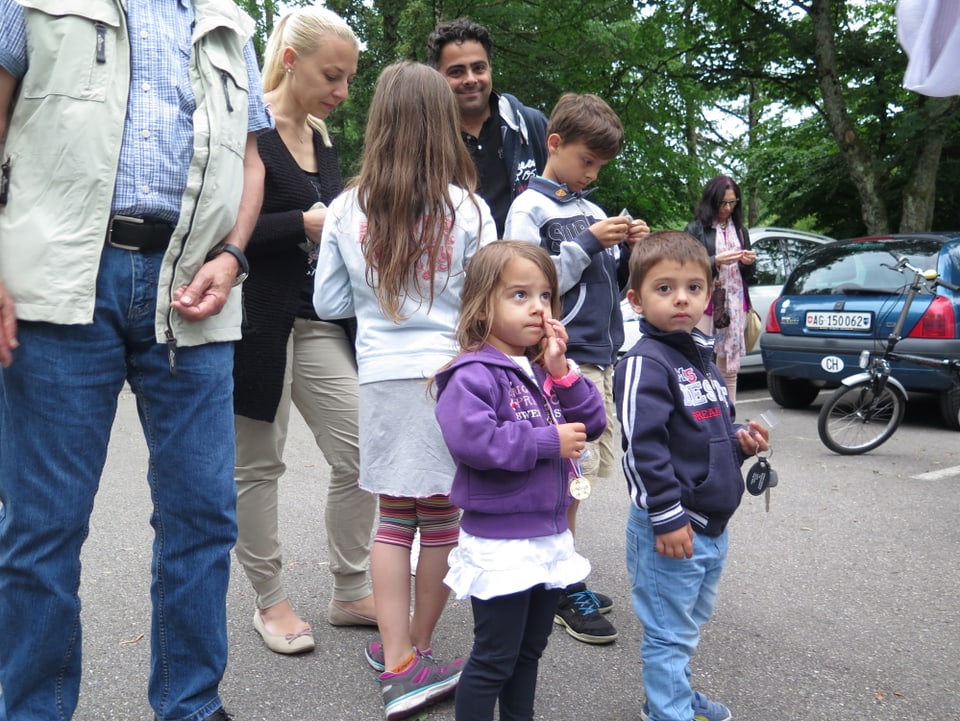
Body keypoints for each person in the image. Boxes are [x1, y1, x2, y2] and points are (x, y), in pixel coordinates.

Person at [0, 1, 269, 720]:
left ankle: (190, 704)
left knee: (203, 516)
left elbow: (250, 159)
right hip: (58, 285)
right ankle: (33, 710)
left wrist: (236, 253)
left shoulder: (229, 21)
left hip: (193, 289)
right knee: (42, 525)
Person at [313, 61, 497, 721]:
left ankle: (398, 661)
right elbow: (488, 301)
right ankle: (415, 653)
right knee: (441, 518)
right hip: (452, 378)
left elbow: (329, 298)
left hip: (382, 377)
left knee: (393, 519)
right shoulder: (469, 208)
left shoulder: (344, 207)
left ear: (379, 123)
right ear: (444, 122)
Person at [232, 6, 377, 657]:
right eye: (332, 75)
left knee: (362, 448)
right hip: (255, 321)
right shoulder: (245, 124)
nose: (342, 91)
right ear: (292, 60)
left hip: (318, 319)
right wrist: (303, 225)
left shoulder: (322, 139)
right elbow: (219, 230)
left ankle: (350, 589)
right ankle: (271, 600)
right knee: (258, 464)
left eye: (349, 78)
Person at [433, 240, 606, 721]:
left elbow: (593, 423)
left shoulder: (540, 370)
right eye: (519, 295)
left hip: (549, 538)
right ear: (482, 304)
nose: (538, 308)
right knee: (494, 658)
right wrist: (547, 441)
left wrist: (562, 372)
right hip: (503, 544)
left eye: (546, 296)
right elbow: (474, 441)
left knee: (529, 652)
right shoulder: (471, 374)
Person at [504, 92, 648, 645]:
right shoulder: (529, 209)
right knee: (567, 473)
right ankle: (560, 584)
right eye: (586, 161)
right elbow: (524, 290)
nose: (591, 175)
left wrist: (629, 247)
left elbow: (607, 284)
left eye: (600, 167)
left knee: (581, 475)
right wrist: (589, 242)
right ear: (555, 144)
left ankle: (561, 565)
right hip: (560, 358)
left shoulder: (591, 210)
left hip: (599, 355)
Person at [613, 231, 770, 721]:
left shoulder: (701, 356)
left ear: (708, 294)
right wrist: (665, 515)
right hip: (672, 528)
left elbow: (711, 430)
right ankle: (667, 712)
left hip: (710, 526)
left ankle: (672, 694)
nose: (681, 298)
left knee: (687, 624)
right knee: (668, 630)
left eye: (693, 287)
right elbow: (643, 448)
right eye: (664, 288)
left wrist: (740, 441)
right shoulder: (645, 362)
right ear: (636, 299)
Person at [426, 18, 548, 237]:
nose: (470, 79)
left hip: (528, 263)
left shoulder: (531, 126)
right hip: (457, 268)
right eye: (456, 72)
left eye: (478, 68)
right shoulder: (425, 140)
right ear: (436, 77)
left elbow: (566, 196)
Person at [684, 175, 756, 404]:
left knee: (729, 368)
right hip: (706, 302)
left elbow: (749, 277)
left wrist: (749, 263)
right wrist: (715, 260)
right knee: (701, 361)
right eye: (722, 203)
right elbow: (684, 268)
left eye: (732, 202)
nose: (727, 208)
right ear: (711, 201)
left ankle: (729, 421)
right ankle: (704, 417)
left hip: (736, 303)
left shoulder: (741, 231)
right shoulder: (695, 229)